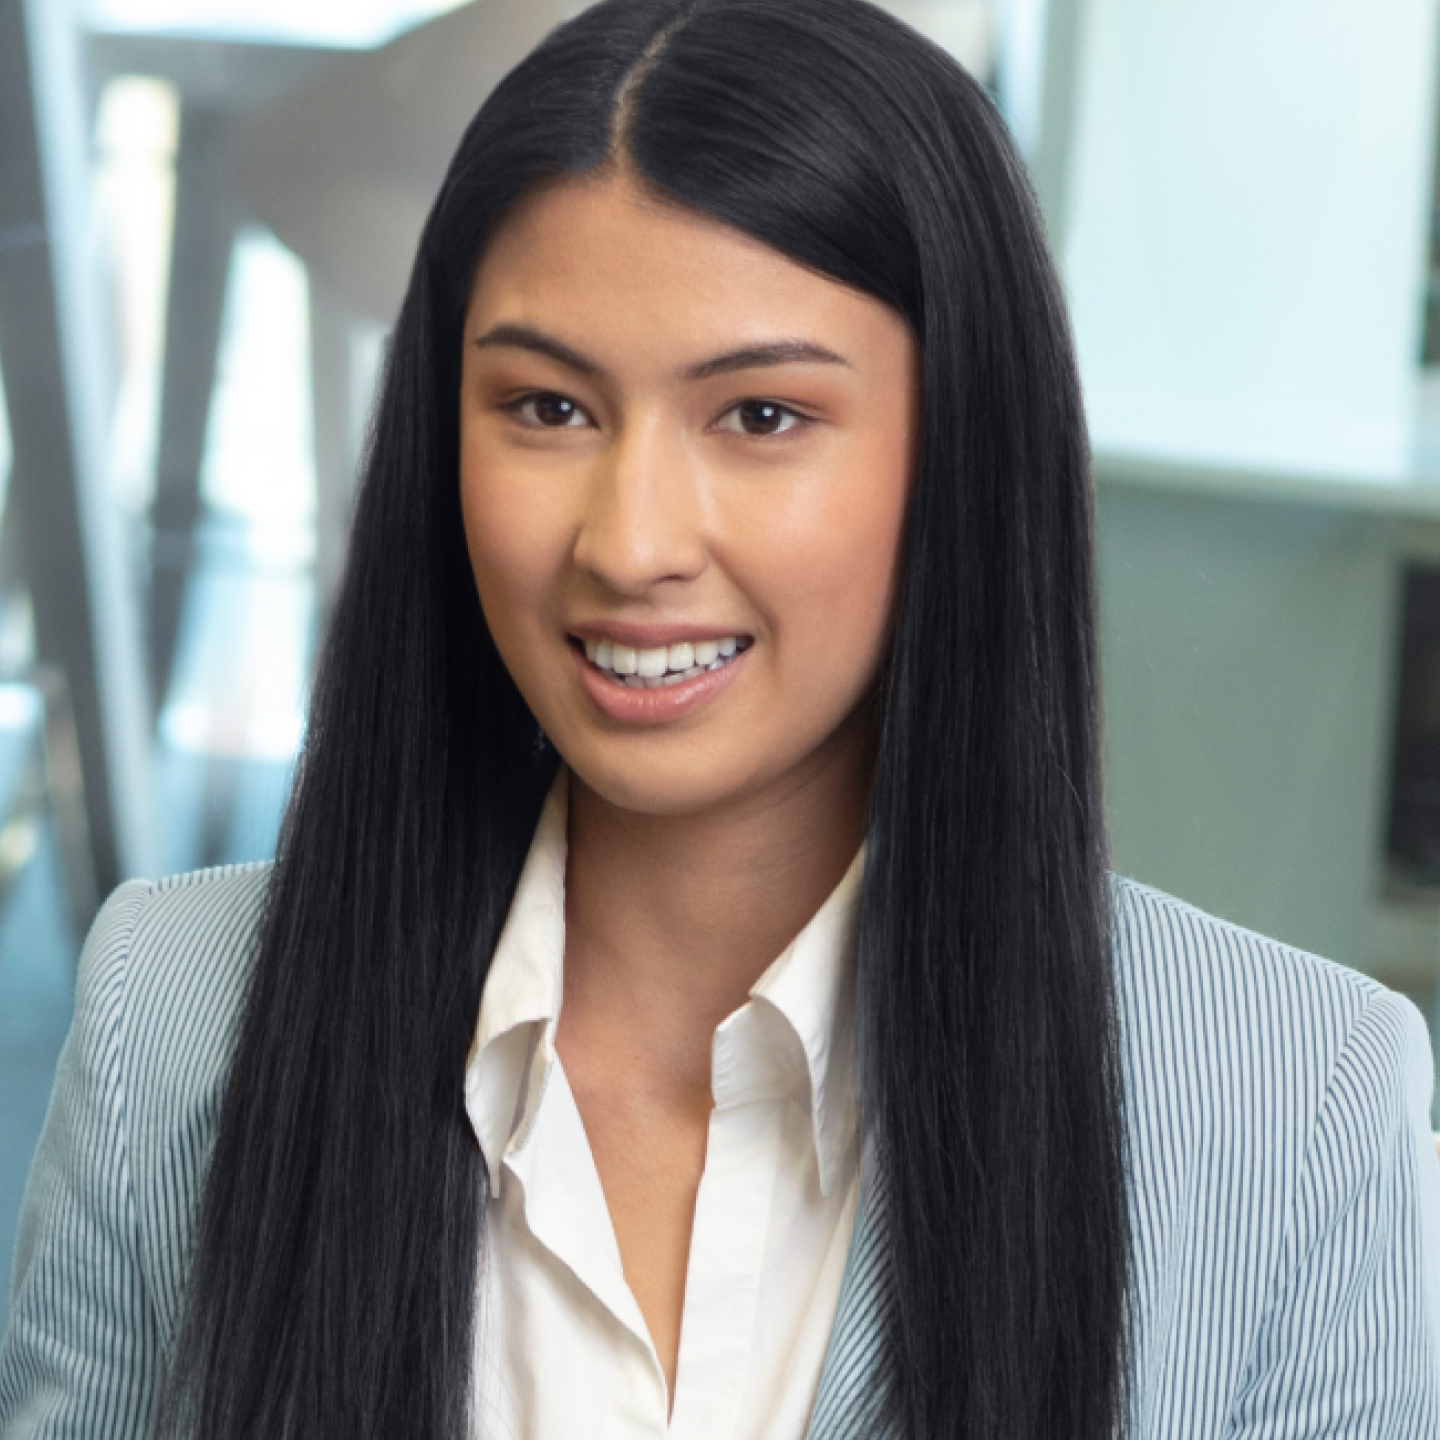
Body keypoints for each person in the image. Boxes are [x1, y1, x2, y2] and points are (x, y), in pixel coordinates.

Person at [3, 0, 1439, 1436]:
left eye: (760, 417)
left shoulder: (1297, 1109)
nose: (629, 544)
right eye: (548, 408)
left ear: (961, 452)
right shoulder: (174, 1022)